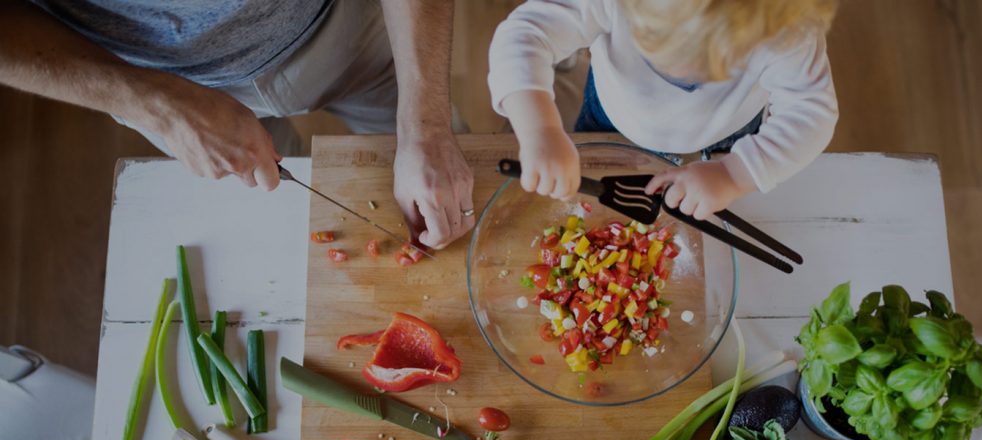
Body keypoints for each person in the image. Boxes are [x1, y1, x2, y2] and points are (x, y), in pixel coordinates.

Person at [0, 0, 474, 249]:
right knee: (274, 236)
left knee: (450, 192)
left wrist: (426, 127)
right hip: (159, 84)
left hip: (341, 25)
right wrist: (159, 107)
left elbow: (427, 133)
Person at [488, 0, 839, 221]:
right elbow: (525, 34)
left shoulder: (786, 25)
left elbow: (811, 112)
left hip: (728, 134)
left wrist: (734, 175)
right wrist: (540, 131)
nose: (687, 77)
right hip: (613, 117)